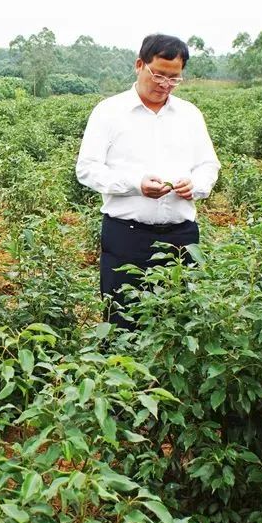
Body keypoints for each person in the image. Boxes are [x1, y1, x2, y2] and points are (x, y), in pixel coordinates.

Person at [76, 33, 220, 326]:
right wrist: (135, 185)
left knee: (180, 319)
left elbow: (208, 164)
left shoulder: (189, 115)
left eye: (174, 78)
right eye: (158, 75)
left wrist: (197, 185)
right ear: (139, 64)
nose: (165, 84)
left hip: (181, 237)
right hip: (127, 235)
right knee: (123, 319)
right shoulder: (108, 113)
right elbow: (87, 169)